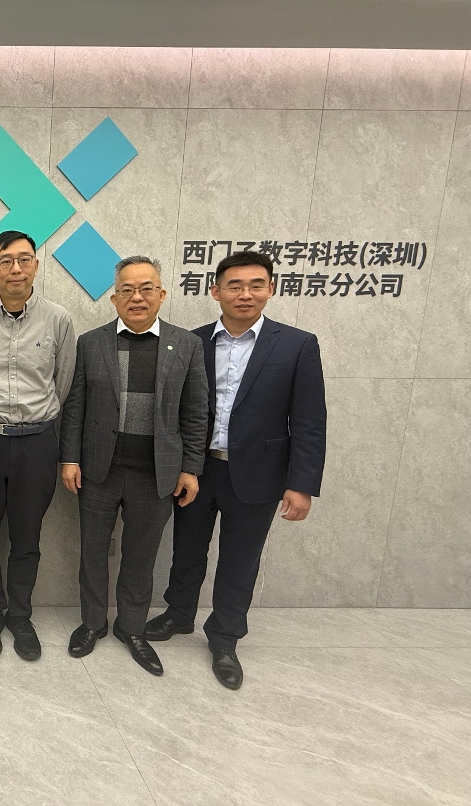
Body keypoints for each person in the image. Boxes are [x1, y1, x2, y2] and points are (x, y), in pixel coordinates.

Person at [145, 250, 326, 690]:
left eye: (255, 285)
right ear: (216, 291)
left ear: (270, 289)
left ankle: (225, 638)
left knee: (240, 560)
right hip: (197, 468)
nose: (245, 294)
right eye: (235, 285)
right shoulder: (192, 341)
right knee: (187, 550)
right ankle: (179, 614)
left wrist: (301, 484)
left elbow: (308, 420)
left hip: (259, 473)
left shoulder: (296, 345)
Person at [60, 256, 208, 676]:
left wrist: (190, 468)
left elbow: (196, 412)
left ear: (162, 294)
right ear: (114, 298)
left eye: (146, 288)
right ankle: (93, 622)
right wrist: (69, 458)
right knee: (93, 551)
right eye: (127, 290)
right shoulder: (92, 343)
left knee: (141, 556)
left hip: (156, 473)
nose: (136, 297)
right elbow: (75, 407)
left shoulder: (187, 345)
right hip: (99, 470)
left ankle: (132, 627)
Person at [0, 230, 76, 660]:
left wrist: (37, 422)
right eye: (6, 260)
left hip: (37, 444)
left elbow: (63, 384)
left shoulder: (59, 319)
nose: (16, 268)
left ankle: (20, 615)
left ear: (36, 266)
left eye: (24, 259)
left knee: (27, 536)